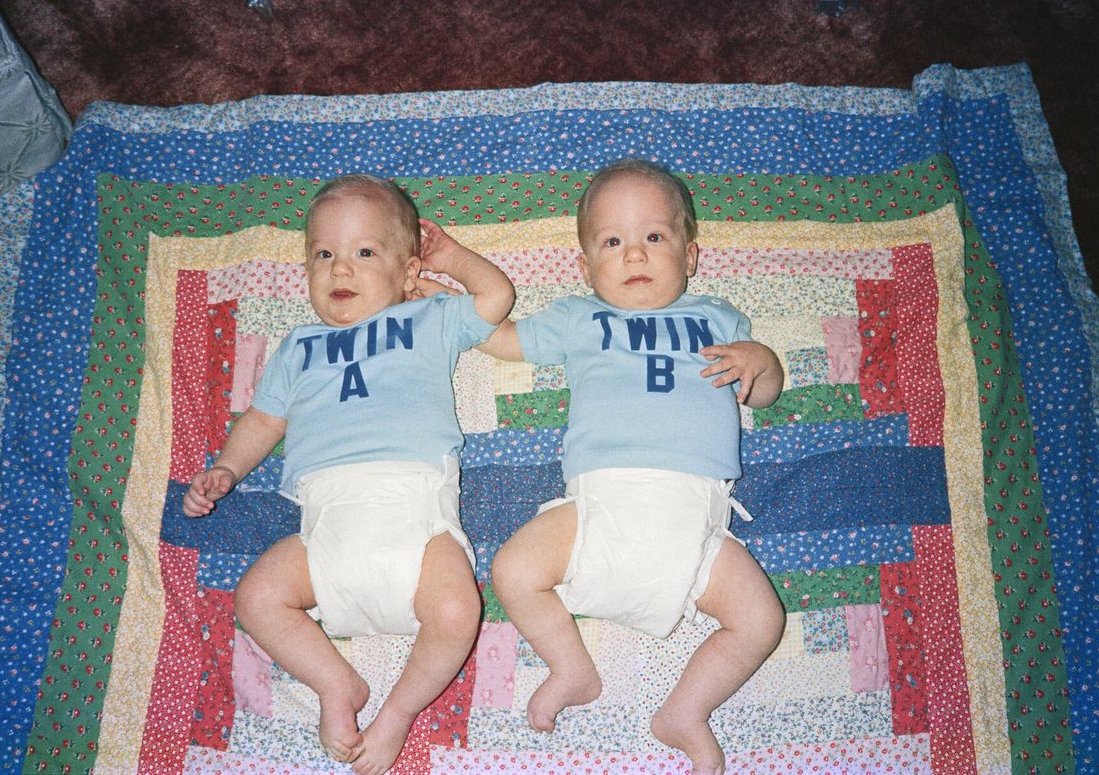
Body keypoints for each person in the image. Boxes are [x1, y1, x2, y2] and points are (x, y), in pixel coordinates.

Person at [183, 174, 515, 775]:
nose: (341, 269)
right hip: (325, 527)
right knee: (257, 598)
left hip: (413, 513)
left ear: (407, 271)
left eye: (365, 253)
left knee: (457, 612)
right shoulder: (298, 347)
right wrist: (227, 468)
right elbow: (263, 419)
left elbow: (494, 300)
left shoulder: (428, 318)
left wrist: (455, 259)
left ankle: (397, 714)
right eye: (324, 254)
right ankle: (337, 685)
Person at [479, 159, 786, 775]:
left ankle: (685, 712)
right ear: (586, 265)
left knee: (761, 621)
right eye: (612, 242)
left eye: (655, 237)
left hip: (694, 520)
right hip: (597, 507)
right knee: (512, 570)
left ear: (691, 255)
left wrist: (760, 358)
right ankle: (571, 667)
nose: (635, 255)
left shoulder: (717, 318)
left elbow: (763, 393)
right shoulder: (579, 318)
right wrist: (455, 310)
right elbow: (507, 341)